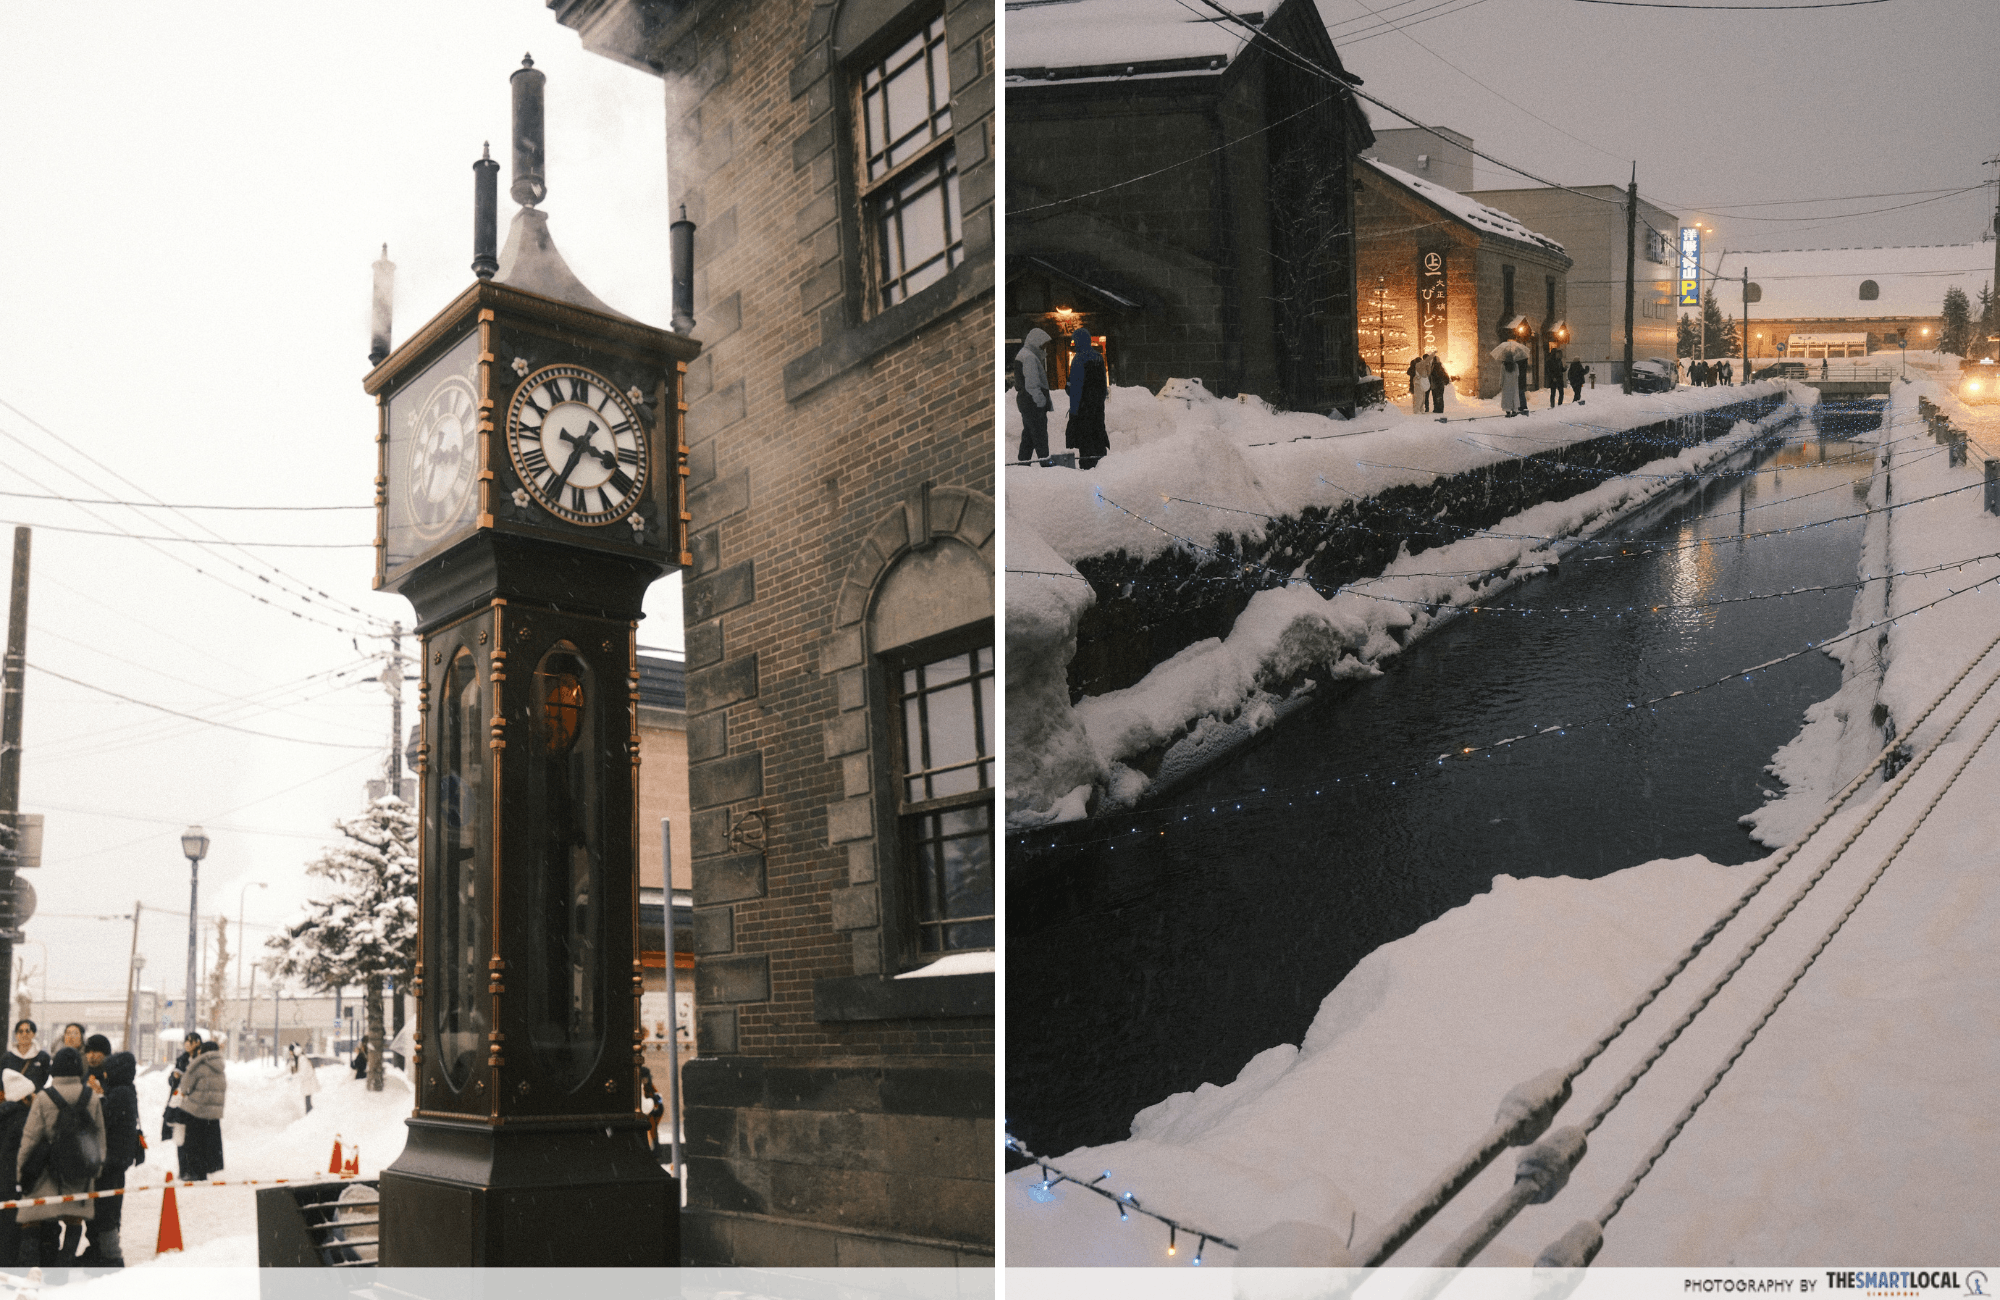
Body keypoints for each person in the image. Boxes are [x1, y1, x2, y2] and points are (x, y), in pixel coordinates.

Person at [16, 1048, 105, 1268]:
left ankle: (31, 1272)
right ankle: (62, 1270)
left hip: (46, 1172)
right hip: (79, 1171)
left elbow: (30, 1138)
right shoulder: (91, 1098)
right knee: (74, 1221)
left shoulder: (44, 1098)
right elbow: (99, 1139)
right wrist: (95, 1170)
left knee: (32, 1222)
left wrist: (21, 1174)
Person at [82, 1042, 136, 1267]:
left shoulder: (121, 1093)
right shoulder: (124, 1089)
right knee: (105, 1207)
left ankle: (111, 1257)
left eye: (108, 1069)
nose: (104, 1072)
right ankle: (99, 1252)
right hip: (116, 1159)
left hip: (112, 1160)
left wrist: (99, 1096)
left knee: (106, 1210)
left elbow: (104, 1118)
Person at [176, 1039, 225, 1182]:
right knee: (206, 1144)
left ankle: (191, 1172)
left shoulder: (198, 1065)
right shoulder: (220, 1068)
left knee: (192, 1144)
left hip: (195, 1111)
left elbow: (184, 1086)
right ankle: (203, 1171)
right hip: (213, 1114)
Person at [1063, 327, 1109, 469]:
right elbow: (1103, 385)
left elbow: (1075, 389)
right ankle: (1102, 464)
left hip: (1083, 408)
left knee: (1086, 439)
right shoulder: (1099, 357)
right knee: (1098, 433)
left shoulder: (1078, 359)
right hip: (1097, 407)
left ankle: (1088, 468)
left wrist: (1074, 411)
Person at [0, 1069, 33, 1268]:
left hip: (3, 1181)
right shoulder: (23, 1120)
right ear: (24, 1097)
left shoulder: (4, 1115)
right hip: (15, 1182)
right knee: (12, 1232)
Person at [1014, 327, 1052, 466]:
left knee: (1029, 436)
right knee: (1040, 435)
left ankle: (1023, 464)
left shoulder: (1024, 355)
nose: (1044, 348)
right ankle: (1046, 464)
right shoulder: (1029, 357)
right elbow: (1032, 384)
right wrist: (1041, 401)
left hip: (1026, 402)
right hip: (1032, 403)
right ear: (1037, 342)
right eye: (1043, 344)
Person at [3, 1022, 49, 1090]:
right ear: (16, 1035)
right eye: (20, 1031)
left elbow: (44, 1078)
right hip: (11, 1098)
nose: (24, 1034)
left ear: (33, 1034)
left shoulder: (42, 1057)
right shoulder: (7, 1057)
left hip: (34, 1098)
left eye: (27, 1031)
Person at [289, 1044, 318, 1114]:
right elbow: (288, 1070)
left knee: (308, 1102)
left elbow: (303, 1073)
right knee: (307, 1100)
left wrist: (292, 1078)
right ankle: (309, 1116)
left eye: (291, 1051)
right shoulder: (299, 1059)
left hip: (309, 1083)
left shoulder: (302, 1059)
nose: (290, 1053)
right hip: (306, 1083)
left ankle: (310, 1116)